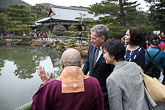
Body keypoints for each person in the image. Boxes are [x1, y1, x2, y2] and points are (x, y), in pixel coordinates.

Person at [31, 48, 104, 110]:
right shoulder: (93, 83)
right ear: (81, 63)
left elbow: (38, 106)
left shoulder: (51, 86)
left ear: (62, 64)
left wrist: (44, 84)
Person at [103, 39, 153, 110]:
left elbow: (116, 107)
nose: (103, 56)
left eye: (105, 52)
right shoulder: (135, 66)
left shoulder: (112, 79)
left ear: (113, 55)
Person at [82, 24, 114, 110]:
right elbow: (87, 63)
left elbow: (113, 72)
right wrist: (80, 76)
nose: (91, 41)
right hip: (91, 87)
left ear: (102, 39)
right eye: (91, 38)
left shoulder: (111, 50)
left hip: (104, 89)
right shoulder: (92, 46)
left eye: (94, 38)